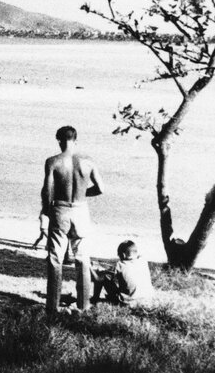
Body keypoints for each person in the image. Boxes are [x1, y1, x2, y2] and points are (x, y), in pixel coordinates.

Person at [42, 125, 102, 314]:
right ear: (75, 141)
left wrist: (46, 211)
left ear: (59, 140)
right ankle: (83, 305)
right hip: (81, 209)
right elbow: (100, 188)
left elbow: (47, 191)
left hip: (60, 208)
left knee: (55, 257)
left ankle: (52, 305)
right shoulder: (88, 161)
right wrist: (83, 193)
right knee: (83, 257)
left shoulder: (53, 161)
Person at [91, 240, 154, 305]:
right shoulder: (143, 261)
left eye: (119, 255)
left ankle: (94, 299)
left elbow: (98, 279)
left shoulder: (120, 264)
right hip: (148, 300)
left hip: (129, 303)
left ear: (123, 255)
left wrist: (91, 268)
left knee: (103, 276)